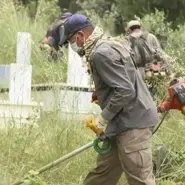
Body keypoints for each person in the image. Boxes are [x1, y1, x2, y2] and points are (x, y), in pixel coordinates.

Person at [56, 13, 159, 185]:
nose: (72, 46)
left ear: (80, 36)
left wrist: (103, 118)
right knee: (102, 175)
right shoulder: (111, 43)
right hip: (121, 123)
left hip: (133, 124)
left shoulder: (100, 54)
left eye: (70, 41)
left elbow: (125, 90)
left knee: (140, 180)